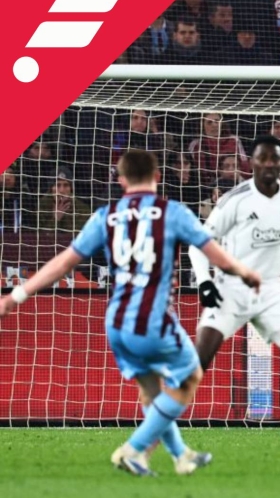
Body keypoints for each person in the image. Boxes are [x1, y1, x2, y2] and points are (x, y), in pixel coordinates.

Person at [0, 149, 262, 476]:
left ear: (121, 180)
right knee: (190, 376)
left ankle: (181, 456)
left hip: (117, 322)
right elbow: (215, 254)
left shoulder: (106, 216)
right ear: (157, 176)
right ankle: (132, 449)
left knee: (152, 391)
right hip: (152, 319)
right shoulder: (172, 212)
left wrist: (15, 296)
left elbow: (64, 262)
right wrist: (246, 272)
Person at [188, 136, 280, 463]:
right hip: (230, 288)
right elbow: (197, 243)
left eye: (274, 159)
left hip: (270, 291)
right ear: (252, 163)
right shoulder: (235, 200)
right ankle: (155, 431)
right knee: (199, 362)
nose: (269, 164)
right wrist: (205, 282)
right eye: (262, 159)